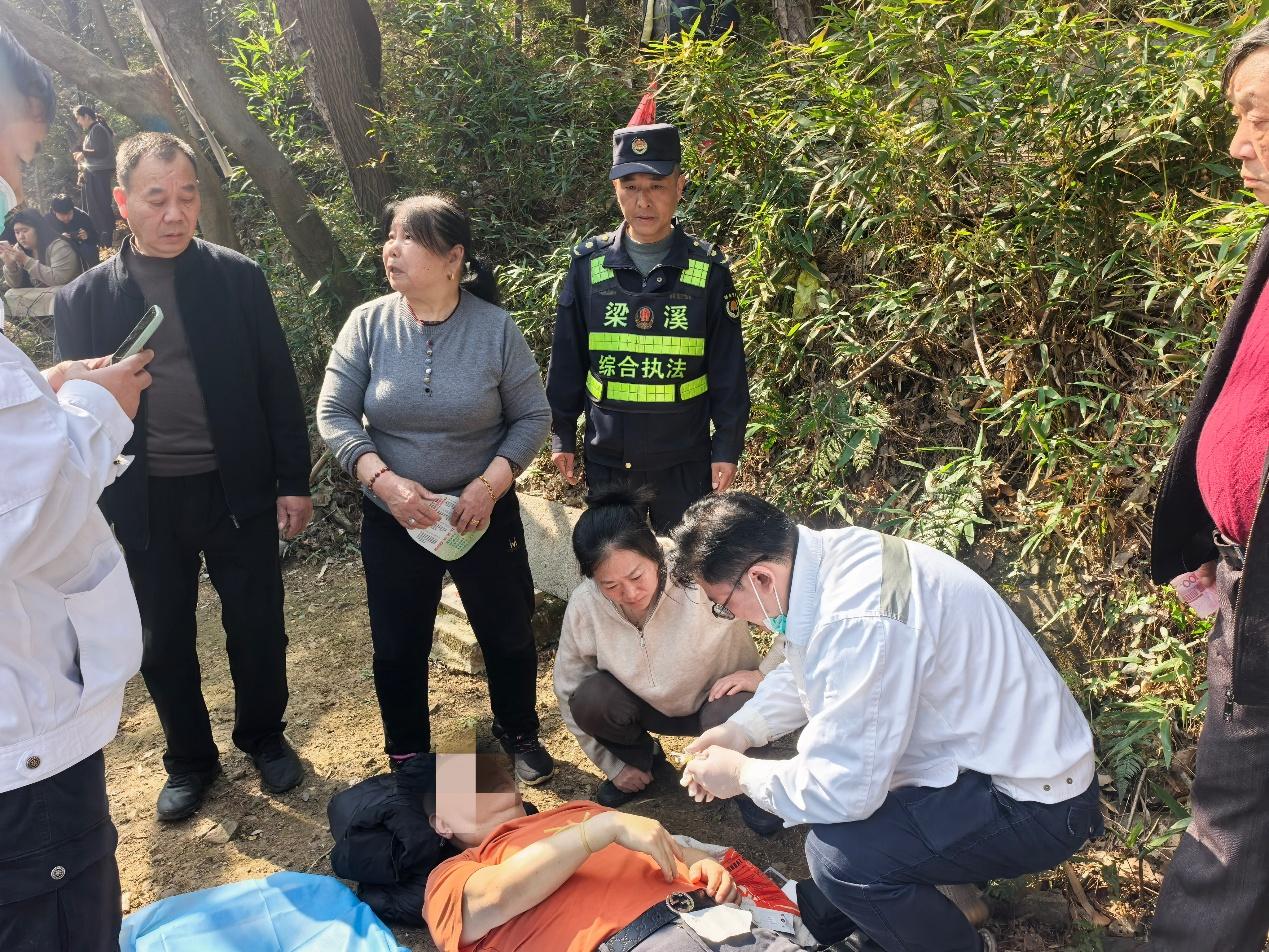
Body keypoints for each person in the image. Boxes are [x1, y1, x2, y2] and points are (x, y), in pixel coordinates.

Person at [672, 493, 1102, 952]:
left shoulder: (858, 618)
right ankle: (861, 922)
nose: (731, 616)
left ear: (759, 578)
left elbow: (843, 789)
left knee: (839, 862)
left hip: (1032, 802)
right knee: (858, 836)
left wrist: (741, 775)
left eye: (724, 605)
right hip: (993, 762)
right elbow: (809, 669)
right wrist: (742, 729)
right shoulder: (831, 562)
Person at [54, 131, 313, 823]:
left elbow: (276, 383)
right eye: (156, 199)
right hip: (144, 497)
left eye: (187, 197)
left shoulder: (237, 278)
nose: (174, 214)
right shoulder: (83, 299)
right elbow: (72, 414)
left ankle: (264, 736)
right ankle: (190, 760)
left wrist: (292, 479)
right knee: (163, 637)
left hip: (237, 488)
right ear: (121, 202)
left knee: (258, 624)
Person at [0, 24, 156, 951]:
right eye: (17, 156)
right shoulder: (83, 289)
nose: (16, 190)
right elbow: (31, 516)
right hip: (22, 748)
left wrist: (54, 390)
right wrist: (96, 409)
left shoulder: (233, 279)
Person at [316, 194, 554, 785]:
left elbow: (532, 416)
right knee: (398, 644)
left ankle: (518, 730)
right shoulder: (368, 323)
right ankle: (409, 752)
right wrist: (385, 482)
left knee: (507, 631)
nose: (390, 249)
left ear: (453, 259)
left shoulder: (495, 329)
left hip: (482, 513)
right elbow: (334, 412)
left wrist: (489, 486)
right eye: (390, 236)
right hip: (396, 515)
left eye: (409, 238)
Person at [1145, 21, 1269, 952]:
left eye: (1258, 118)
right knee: (1228, 817)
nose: (1235, 144)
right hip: (1246, 589)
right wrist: (1216, 541)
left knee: (1227, 830)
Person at [545, 122, 749, 533]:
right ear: (616, 190)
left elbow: (728, 368)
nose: (643, 201)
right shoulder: (588, 266)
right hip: (608, 457)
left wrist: (726, 446)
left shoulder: (708, 270)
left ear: (679, 186)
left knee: (687, 564)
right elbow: (567, 357)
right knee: (615, 561)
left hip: (685, 460)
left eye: (656, 185)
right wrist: (562, 433)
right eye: (631, 186)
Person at [553, 484, 783, 835]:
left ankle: (746, 786)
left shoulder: (698, 570)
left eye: (636, 576)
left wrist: (763, 674)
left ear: (656, 556)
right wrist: (613, 765)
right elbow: (567, 687)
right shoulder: (586, 604)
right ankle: (645, 761)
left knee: (734, 711)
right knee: (590, 699)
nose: (630, 593)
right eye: (610, 586)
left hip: (719, 703)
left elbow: (788, 617)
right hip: (646, 707)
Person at [423, 751, 804, 952]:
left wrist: (704, 864)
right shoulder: (453, 873)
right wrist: (599, 831)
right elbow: (494, 897)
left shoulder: (578, 811)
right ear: (442, 823)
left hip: (722, 925)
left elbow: (671, 851)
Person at [1, 206, 83, 321]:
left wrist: (25, 260)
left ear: (38, 229)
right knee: (10, 294)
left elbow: (60, 279)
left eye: (25, 231)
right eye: (17, 232)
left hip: (69, 295)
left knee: (58, 294)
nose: (21, 237)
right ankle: (34, 326)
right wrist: (10, 265)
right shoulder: (19, 249)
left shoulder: (59, 246)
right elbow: (15, 284)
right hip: (41, 295)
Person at [73, 105, 115, 246]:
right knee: (96, 206)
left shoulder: (97, 129)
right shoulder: (94, 130)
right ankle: (103, 237)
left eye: (78, 118)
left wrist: (83, 153)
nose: (78, 122)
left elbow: (102, 151)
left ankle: (107, 238)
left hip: (99, 173)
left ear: (86, 116)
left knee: (100, 206)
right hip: (95, 173)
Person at [46, 192, 100, 270]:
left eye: (69, 214)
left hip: (81, 248)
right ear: (54, 212)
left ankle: (94, 272)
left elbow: (96, 238)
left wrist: (87, 235)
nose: (66, 218)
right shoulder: (47, 220)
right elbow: (43, 241)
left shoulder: (82, 216)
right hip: (59, 251)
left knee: (88, 249)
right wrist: (59, 238)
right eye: (62, 215)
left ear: (73, 209)